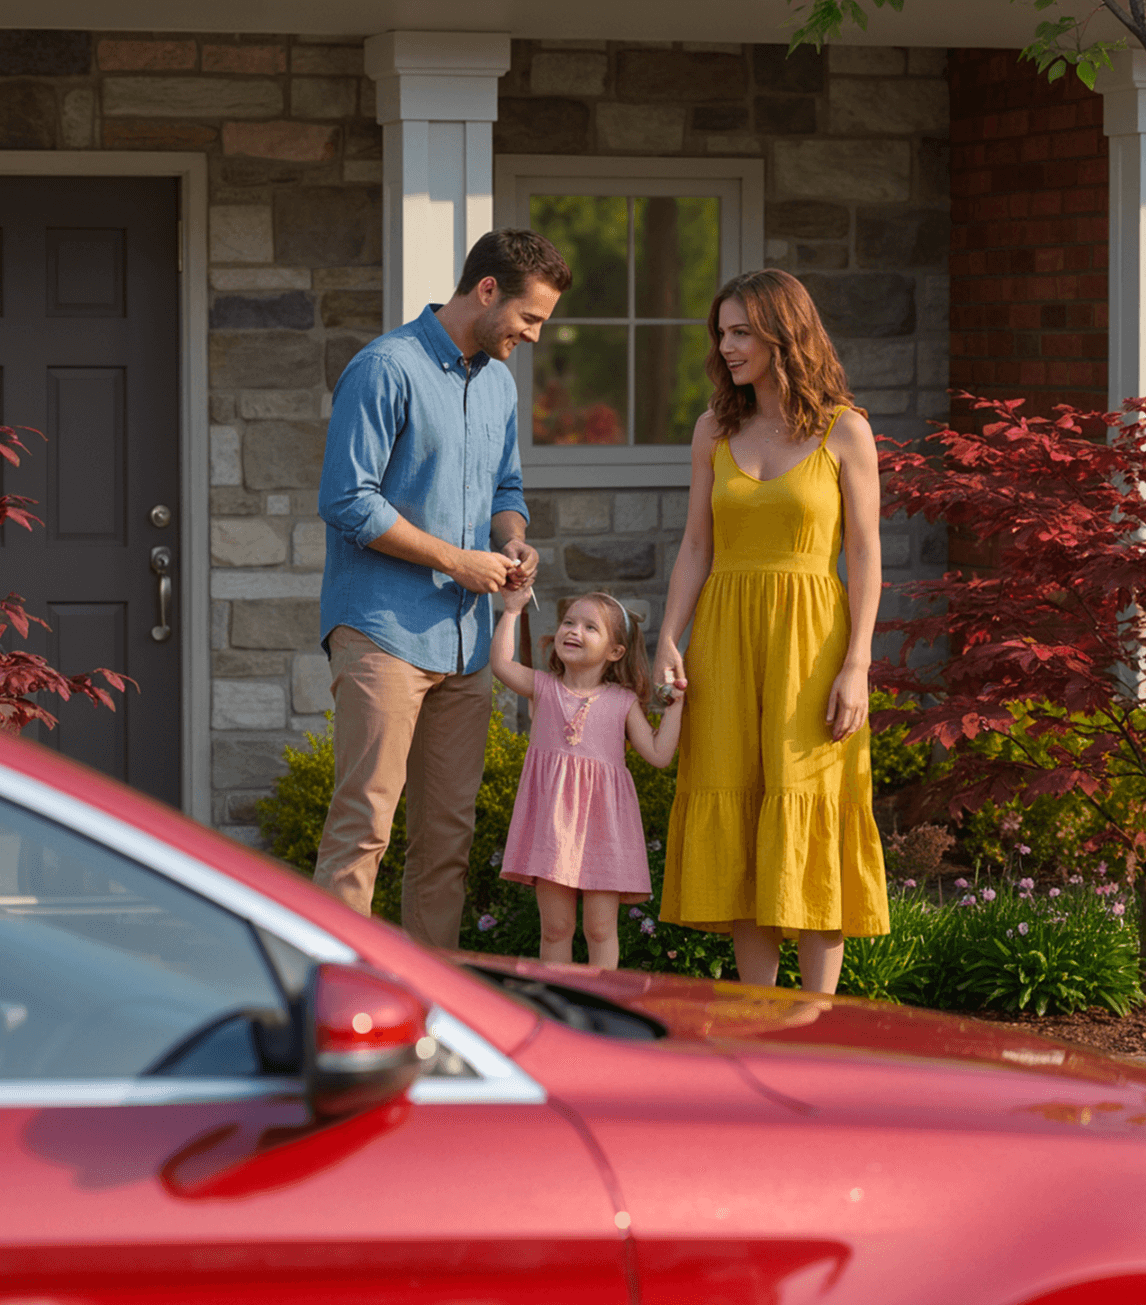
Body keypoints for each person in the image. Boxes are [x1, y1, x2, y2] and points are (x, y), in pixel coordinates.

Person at [314, 229, 571, 948]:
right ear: (487, 291)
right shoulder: (384, 369)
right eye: (530, 318)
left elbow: (506, 487)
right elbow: (347, 500)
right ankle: (329, 1000)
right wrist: (457, 561)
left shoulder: (497, 384)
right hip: (382, 631)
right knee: (363, 827)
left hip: (462, 648)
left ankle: (433, 1013)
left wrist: (510, 539)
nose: (533, 335)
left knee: (446, 841)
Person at [655, 268, 889, 994]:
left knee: (809, 802)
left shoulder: (844, 429)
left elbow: (865, 552)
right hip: (723, 640)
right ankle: (757, 1014)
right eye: (720, 333)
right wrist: (667, 637)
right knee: (741, 802)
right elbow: (697, 545)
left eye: (740, 332)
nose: (725, 346)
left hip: (814, 642)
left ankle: (817, 1020)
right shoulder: (712, 430)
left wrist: (858, 664)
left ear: (783, 333)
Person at [492, 588, 685, 969]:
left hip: (605, 832)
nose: (573, 630)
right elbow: (500, 663)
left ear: (615, 651)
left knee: (600, 930)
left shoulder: (622, 701)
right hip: (552, 830)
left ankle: (602, 1005)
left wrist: (677, 705)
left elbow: (660, 755)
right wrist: (512, 610)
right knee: (556, 929)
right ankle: (558, 1009)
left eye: (589, 627)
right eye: (568, 622)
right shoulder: (544, 687)